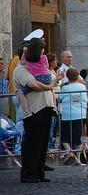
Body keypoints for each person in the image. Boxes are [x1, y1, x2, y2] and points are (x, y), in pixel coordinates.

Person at [13, 41, 64, 183]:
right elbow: (34, 85)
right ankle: (28, 173)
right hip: (34, 109)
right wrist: (51, 85)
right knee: (32, 143)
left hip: (46, 106)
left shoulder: (38, 66)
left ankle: (38, 171)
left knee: (42, 144)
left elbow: (52, 79)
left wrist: (55, 80)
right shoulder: (21, 69)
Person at [16, 38, 52, 119]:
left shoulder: (29, 58)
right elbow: (47, 67)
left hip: (38, 77)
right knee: (45, 87)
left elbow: (22, 62)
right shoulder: (44, 57)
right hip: (47, 76)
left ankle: (26, 111)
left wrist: (25, 52)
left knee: (21, 92)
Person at [59, 68, 88, 165]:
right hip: (80, 114)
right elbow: (85, 99)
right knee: (78, 138)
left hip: (67, 115)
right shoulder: (82, 87)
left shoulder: (65, 88)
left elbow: (60, 98)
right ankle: (78, 159)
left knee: (64, 137)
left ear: (67, 77)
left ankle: (69, 151)